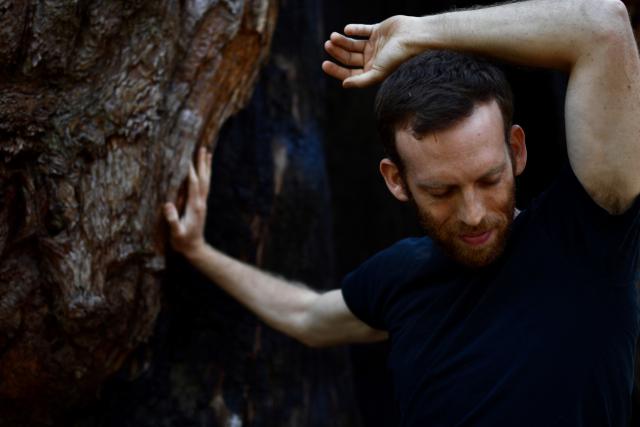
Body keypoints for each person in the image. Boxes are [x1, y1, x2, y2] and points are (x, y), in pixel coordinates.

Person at [163, 0, 640, 425]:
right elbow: (308, 315)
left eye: (489, 180)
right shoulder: (400, 276)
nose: (473, 214)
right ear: (396, 180)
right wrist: (198, 251)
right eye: (441, 191)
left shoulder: (590, 234)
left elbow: (604, 25)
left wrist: (418, 32)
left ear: (516, 150)